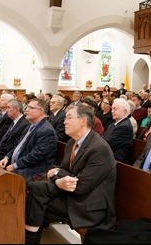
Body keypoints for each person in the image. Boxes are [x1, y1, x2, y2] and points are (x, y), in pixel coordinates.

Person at [24, 104, 117, 244]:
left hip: (90, 206)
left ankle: (28, 240)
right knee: (36, 189)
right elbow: (64, 171)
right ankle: (29, 240)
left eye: (69, 117)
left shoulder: (99, 148)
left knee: (36, 199)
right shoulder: (72, 143)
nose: (64, 122)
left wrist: (57, 176)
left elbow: (80, 186)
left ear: (83, 121)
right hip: (73, 196)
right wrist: (59, 176)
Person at [0, 98, 57, 182]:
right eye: (27, 107)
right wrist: (7, 157)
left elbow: (35, 156)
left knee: (4, 179)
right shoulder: (30, 126)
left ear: (40, 111)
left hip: (35, 169)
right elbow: (18, 145)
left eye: (31, 108)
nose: (26, 110)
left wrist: (15, 165)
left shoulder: (46, 130)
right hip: (22, 163)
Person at [102, 98, 133, 163]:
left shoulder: (124, 127)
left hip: (116, 161)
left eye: (115, 109)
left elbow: (107, 143)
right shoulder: (113, 124)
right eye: (112, 108)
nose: (112, 111)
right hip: (108, 156)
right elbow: (104, 138)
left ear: (124, 111)